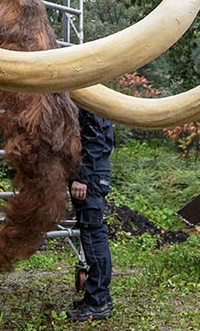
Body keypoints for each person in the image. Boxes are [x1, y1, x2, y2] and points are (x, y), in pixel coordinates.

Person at [68, 108, 114, 322]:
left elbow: (95, 141)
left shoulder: (90, 103)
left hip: (92, 178)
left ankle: (98, 303)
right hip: (94, 176)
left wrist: (82, 177)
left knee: (94, 237)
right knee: (91, 235)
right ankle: (96, 297)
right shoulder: (95, 101)